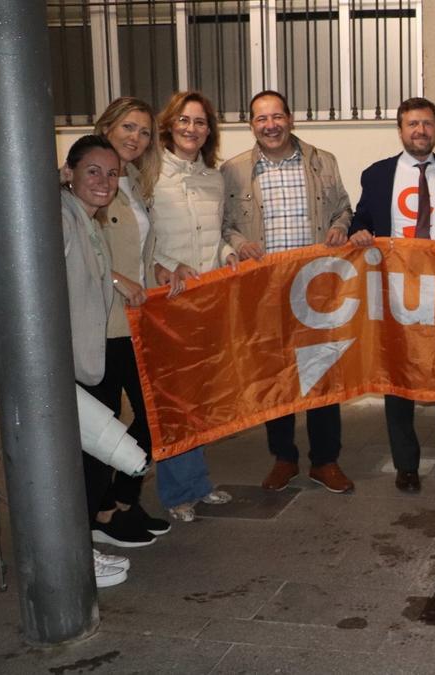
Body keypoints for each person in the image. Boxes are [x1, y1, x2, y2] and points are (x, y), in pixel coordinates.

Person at [348, 97, 435, 494]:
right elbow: (363, 218)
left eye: (427, 124)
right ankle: (406, 466)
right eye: (413, 124)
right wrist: (357, 231)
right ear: (400, 129)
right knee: (400, 380)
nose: (420, 131)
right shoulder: (377, 175)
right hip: (399, 292)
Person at [221, 90, 355, 495]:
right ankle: (284, 458)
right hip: (264, 293)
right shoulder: (233, 171)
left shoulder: (322, 162)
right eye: (262, 119)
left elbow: (343, 208)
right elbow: (223, 224)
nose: (271, 125)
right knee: (274, 379)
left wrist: (340, 227)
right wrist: (237, 242)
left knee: (321, 376)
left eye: (277, 116)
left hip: (314, 289)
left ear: (291, 119)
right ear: (251, 125)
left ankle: (325, 461)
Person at [148, 90, 234, 521]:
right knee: (172, 401)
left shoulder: (213, 179)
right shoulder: (150, 174)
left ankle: (197, 484)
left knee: (196, 400)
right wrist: (165, 266)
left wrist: (228, 256)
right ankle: (176, 492)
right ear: (169, 124)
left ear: (208, 131)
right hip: (165, 302)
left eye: (200, 122)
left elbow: (213, 239)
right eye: (184, 120)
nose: (191, 129)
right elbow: (145, 239)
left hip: (205, 302)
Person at [88, 98, 171, 539]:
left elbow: (139, 248)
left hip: (135, 323)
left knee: (152, 415)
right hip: (100, 323)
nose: (135, 138)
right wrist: (120, 280)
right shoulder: (88, 181)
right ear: (108, 126)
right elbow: (81, 248)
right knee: (103, 424)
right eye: (128, 127)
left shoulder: (135, 180)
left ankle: (124, 500)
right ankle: (102, 515)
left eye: (143, 131)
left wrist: (160, 270)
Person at [61, 134, 136, 585]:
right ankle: (73, 559)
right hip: (64, 362)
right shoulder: (61, 216)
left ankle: (80, 548)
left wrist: (114, 278)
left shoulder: (85, 219)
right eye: (93, 170)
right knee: (71, 466)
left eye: (112, 173)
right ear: (68, 173)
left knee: (82, 461)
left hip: (81, 357)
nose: (104, 181)